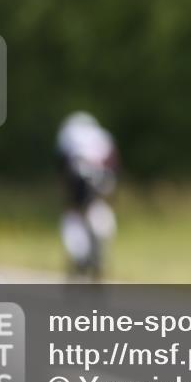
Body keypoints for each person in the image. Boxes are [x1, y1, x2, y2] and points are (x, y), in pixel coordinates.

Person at [56, 111, 118, 280]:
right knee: (98, 208)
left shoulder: (67, 135)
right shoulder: (103, 136)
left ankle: (80, 255)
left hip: (77, 175)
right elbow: (113, 164)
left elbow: (62, 165)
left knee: (74, 212)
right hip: (103, 177)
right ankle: (95, 253)